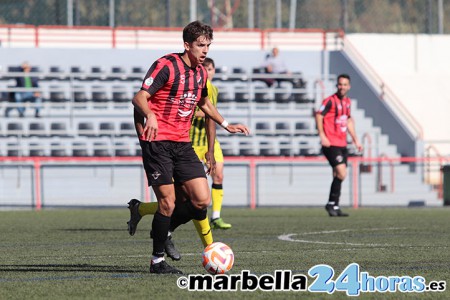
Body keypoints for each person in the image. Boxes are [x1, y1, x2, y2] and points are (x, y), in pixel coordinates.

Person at [131, 20, 249, 274]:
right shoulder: (166, 66)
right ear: (187, 45)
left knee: (200, 201)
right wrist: (149, 116)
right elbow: (139, 97)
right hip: (158, 143)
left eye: (208, 45)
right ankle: (157, 261)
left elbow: (205, 104)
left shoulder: (201, 73)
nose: (205, 50)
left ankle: (162, 227)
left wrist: (226, 124)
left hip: (182, 145)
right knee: (168, 202)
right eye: (200, 45)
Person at [190, 57, 231, 230]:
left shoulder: (214, 90)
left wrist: (212, 116)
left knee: (219, 175)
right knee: (184, 191)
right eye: (204, 68)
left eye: (211, 68)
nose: (208, 71)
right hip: (191, 141)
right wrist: (210, 114)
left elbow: (210, 114)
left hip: (209, 141)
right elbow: (191, 111)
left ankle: (216, 216)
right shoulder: (192, 87)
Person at [315, 74, 363, 217]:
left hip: (342, 143)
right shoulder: (329, 101)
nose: (342, 87)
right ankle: (331, 203)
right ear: (337, 85)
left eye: (345, 84)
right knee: (342, 173)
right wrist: (322, 136)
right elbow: (319, 116)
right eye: (340, 84)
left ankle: (334, 205)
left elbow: (348, 121)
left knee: (337, 174)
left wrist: (355, 140)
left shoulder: (347, 102)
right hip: (330, 143)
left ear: (349, 86)